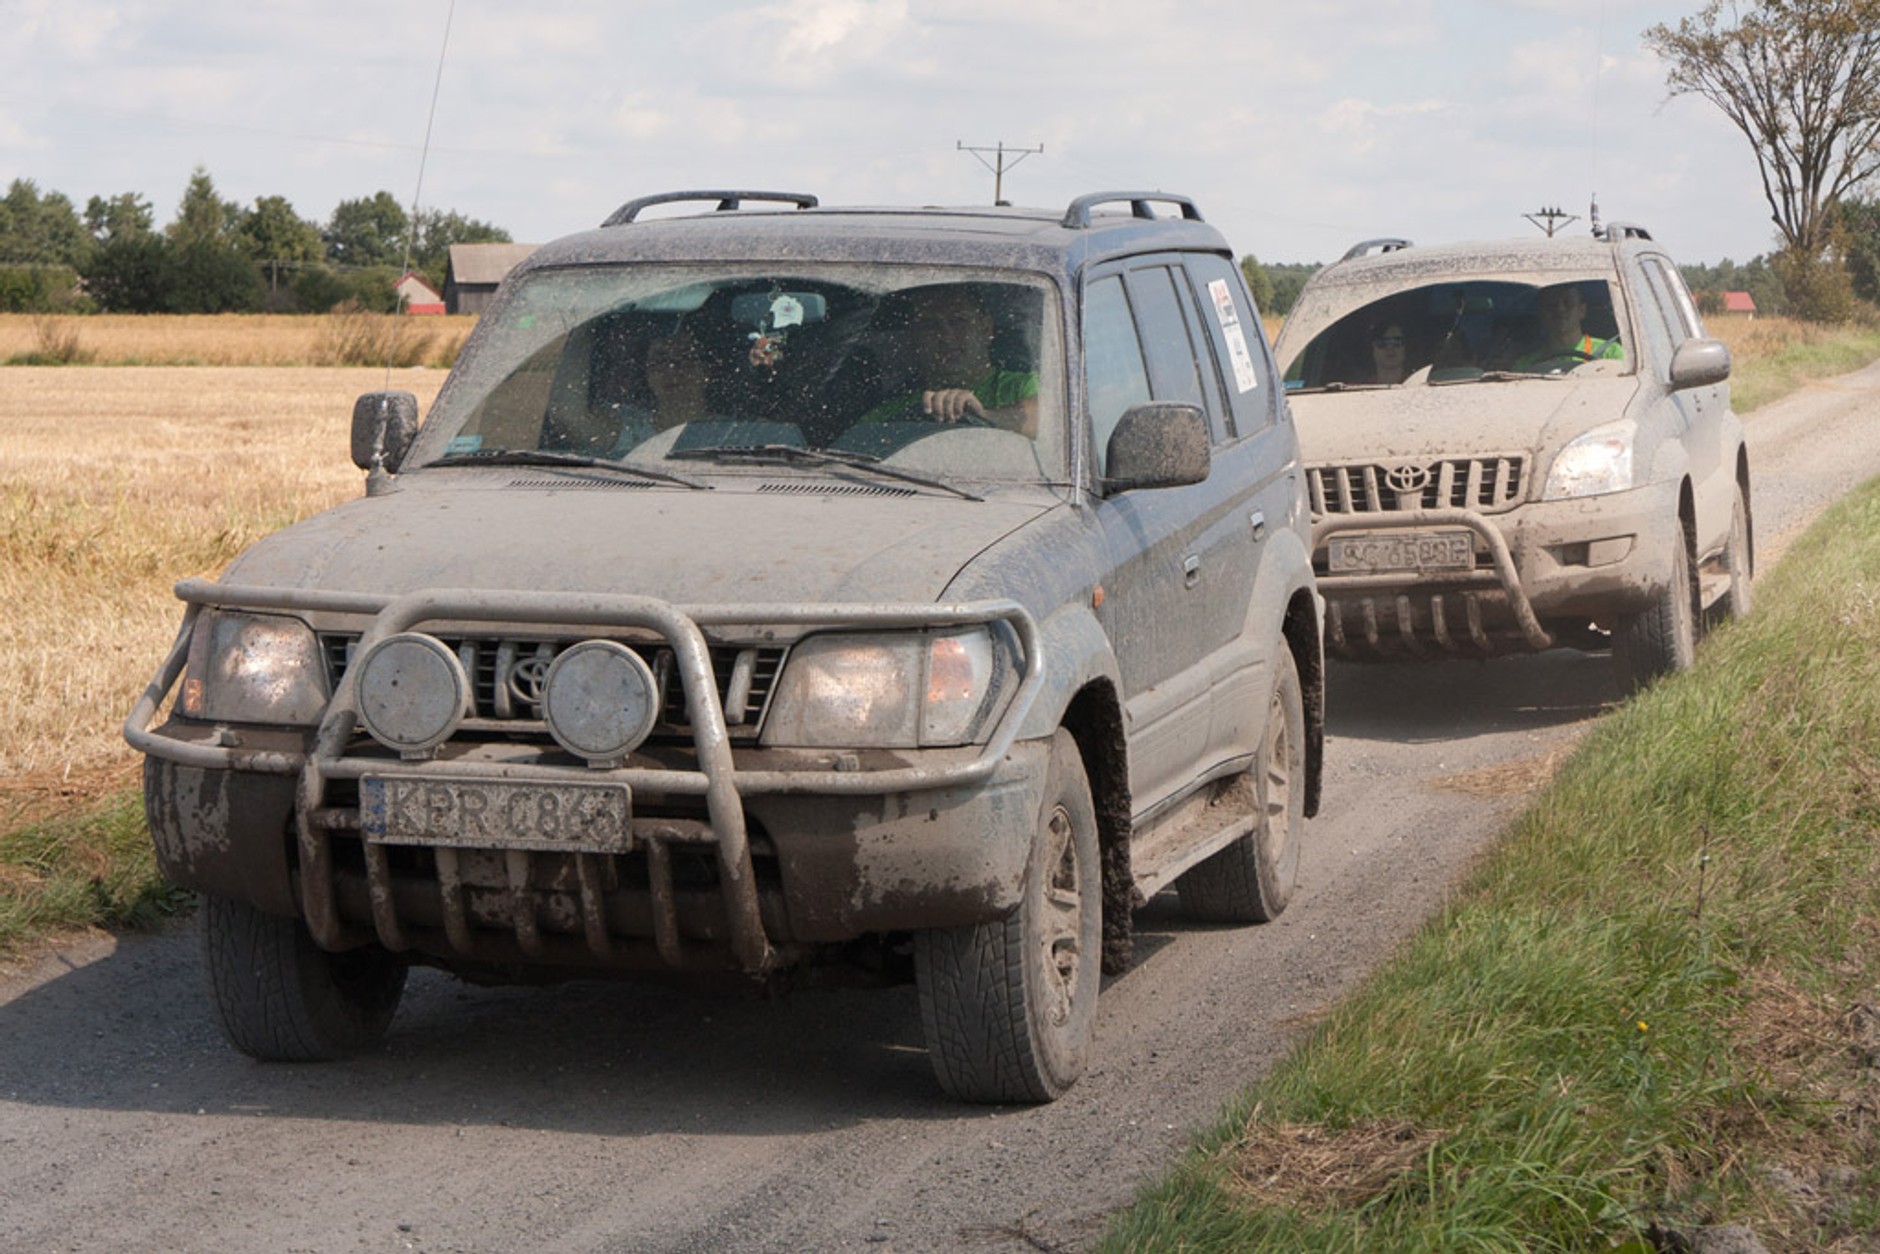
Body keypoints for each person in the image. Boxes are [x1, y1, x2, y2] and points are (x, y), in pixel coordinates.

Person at [856, 286, 1039, 435]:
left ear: (985, 328)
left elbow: (1051, 421)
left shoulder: (1025, 386)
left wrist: (985, 417)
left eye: (959, 321)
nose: (946, 336)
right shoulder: (887, 414)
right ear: (914, 337)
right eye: (930, 325)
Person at [1511, 283, 1625, 371]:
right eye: (1551, 305)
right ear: (1542, 313)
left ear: (1582, 310)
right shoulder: (1526, 364)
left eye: (1568, 303)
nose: (1560, 310)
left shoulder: (1611, 352)